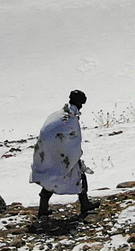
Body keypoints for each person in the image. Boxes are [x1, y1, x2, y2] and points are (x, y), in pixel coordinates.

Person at [31, 90, 94, 220]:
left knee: (51, 177)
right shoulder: (69, 118)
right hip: (63, 154)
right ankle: (85, 204)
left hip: (53, 153)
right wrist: (73, 153)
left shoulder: (58, 115)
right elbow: (71, 137)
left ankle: (43, 208)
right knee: (79, 175)